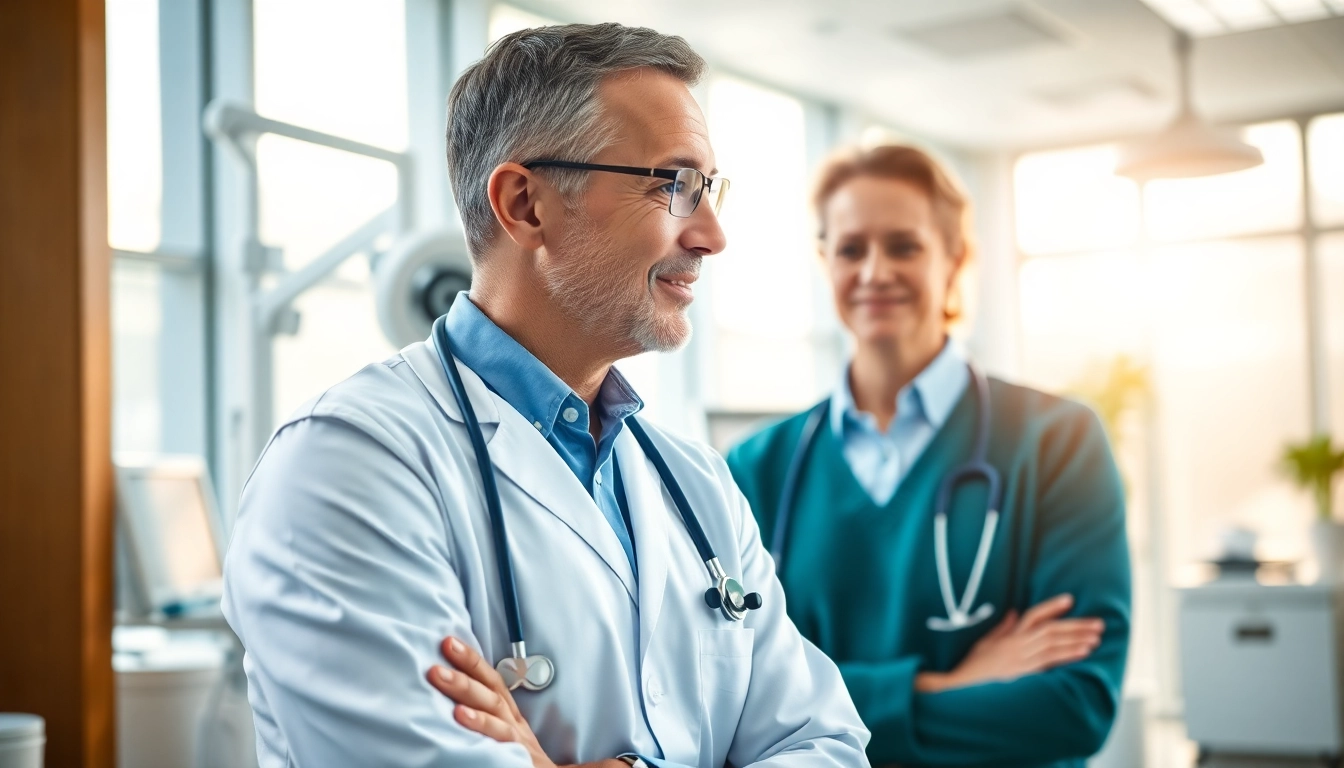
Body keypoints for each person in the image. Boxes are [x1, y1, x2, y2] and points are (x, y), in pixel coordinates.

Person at [221, 23, 870, 768]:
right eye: (674, 185)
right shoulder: (344, 465)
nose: (712, 235)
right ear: (525, 204)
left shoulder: (696, 485)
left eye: (708, 188)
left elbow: (828, 745)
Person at [725, 144, 1131, 767]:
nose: (874, 271)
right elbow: (735, 701)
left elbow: (1074, 706)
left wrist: (830, 713)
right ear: (825, 262)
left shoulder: (1057, 443)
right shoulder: (758, 469)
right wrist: (946, 686)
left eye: (904, 246)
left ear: (954, 258)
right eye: (851, 249)